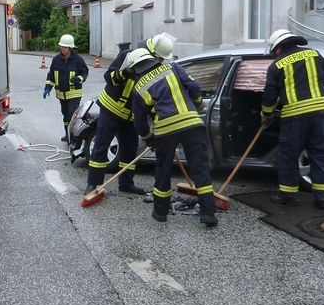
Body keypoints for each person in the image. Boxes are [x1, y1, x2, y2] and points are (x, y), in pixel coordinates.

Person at [130, 33, 217, 227]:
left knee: (163, 171)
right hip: (192, 124)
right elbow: (194, 86)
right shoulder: (173, 67)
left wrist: (148, 138)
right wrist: (198, 103)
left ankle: (160, 212)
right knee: (200, 168)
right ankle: (208, 213)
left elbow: (140, 121)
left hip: (165, 130)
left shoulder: (139, 88)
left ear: (136, 68)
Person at [261, 29, 324, 208]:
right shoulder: (314, 54)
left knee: (289, 156)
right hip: (320, 113)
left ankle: (289, 196)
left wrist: (267, 115)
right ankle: (323, 198)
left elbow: (269, 95)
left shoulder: (276, 65)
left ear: (278, 47)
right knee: (319, 155)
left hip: (295, 116)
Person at [84, 43, 147, 197]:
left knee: (130, 148)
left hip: (129, 115)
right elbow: (108, 77)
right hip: (110, 109)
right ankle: (93, 184)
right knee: (101, 145)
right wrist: (122, 74)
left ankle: (126, 183)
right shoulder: (127, 56)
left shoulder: (151, 67)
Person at [44, 34, 88, 142]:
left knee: (71, 115)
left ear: (70, 48)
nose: (62, 48)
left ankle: (73, 136)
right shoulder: (56, 60)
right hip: (61, 95)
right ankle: (67, 134)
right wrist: (48, 87)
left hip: (74, 94)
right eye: (61, 46)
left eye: (65, 47)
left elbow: (84, 72)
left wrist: (79, 78)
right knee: (65, 115)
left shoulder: (78, 59)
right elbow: (51, 75)